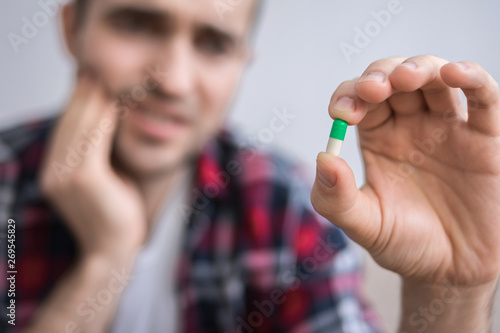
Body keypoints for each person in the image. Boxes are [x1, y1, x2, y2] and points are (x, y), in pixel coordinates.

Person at [1, 0, 499, 332]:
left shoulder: (280, 204)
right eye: (137, 23)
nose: (173, 80)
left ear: (242, 59)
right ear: (72, 27)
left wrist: (448, 292)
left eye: (214, 43)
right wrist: (104, 261)